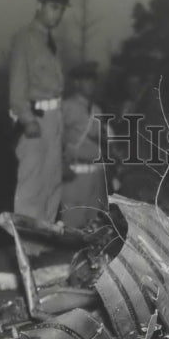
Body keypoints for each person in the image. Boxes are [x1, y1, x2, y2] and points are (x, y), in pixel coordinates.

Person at [8, 0, 71, 223]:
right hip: (36, 121)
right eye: (54, 7)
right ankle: (27, 244)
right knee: (32, 185)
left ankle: (44, 242)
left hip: (55, 120)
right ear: (39, 5)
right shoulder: (24, 39)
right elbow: (17, 87)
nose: (58, 14)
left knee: (52, 183)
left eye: (61, 9)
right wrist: (27, 119)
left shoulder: (51, 43)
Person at [60, 61, 108, 227]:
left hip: (96, 175)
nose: (91, 84)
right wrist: (61, 165)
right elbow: (54, 138)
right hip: (75, 175)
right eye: (86, 80)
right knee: (72, 226)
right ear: (76, 83)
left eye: (93, 80)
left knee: (94, 227)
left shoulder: (97, 110)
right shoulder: (66, 107)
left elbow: (99, 142)